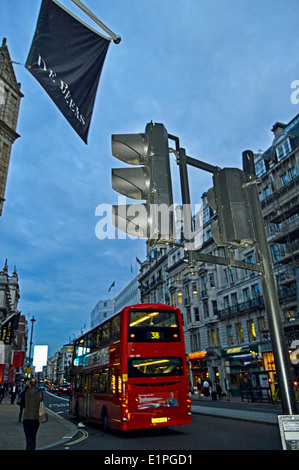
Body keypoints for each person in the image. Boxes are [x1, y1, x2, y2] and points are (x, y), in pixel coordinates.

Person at [23, 378, 43, 450]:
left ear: (30, 384)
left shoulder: (25, 392)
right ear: (36, 384)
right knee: (33, 437)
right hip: (35, 418)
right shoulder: (39, 392)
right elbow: (41, 402)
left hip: (26, 417)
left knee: (28, 438)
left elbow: (20, 402)